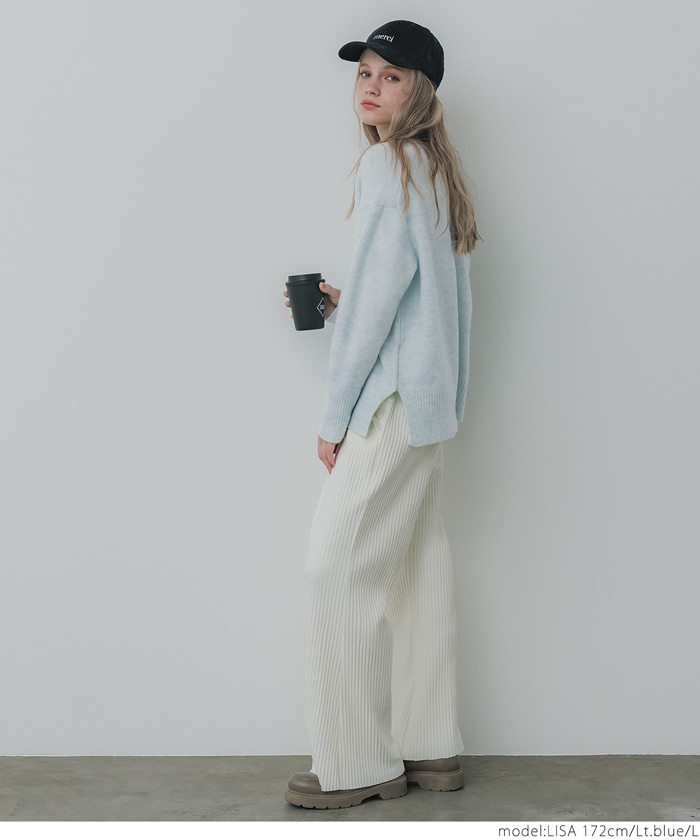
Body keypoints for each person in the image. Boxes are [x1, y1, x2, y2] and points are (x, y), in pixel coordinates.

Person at [283, 19, 480, 810]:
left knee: (334, 571)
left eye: (391, 76)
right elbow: (423, 301)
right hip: (430, 405)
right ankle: (431, 745)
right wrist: (350, 303)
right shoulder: (436, 168)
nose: (370, 86)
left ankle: (357, 762)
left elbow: (374, 312)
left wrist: (334, 417)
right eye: (364, 71)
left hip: (391, 402)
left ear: (420, 90)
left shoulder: (385, 163)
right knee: (418, 572)